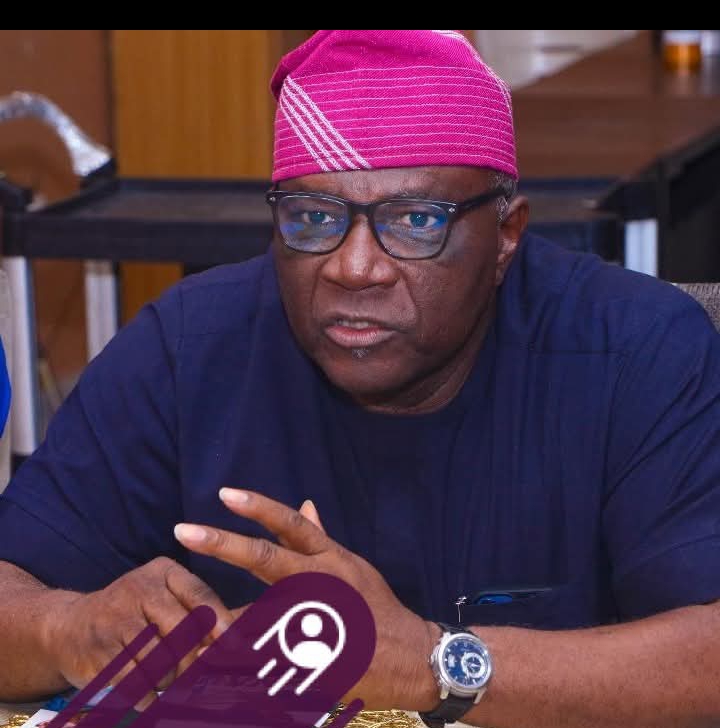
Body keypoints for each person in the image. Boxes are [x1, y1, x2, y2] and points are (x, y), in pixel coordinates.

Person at [0, 30, 719, 727]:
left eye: (415, 221)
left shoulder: (635, 351)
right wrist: (69, 630)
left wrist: (430, 664)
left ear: (506, 236)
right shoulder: (187, 349)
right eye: (314, 217)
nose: (354, 267)